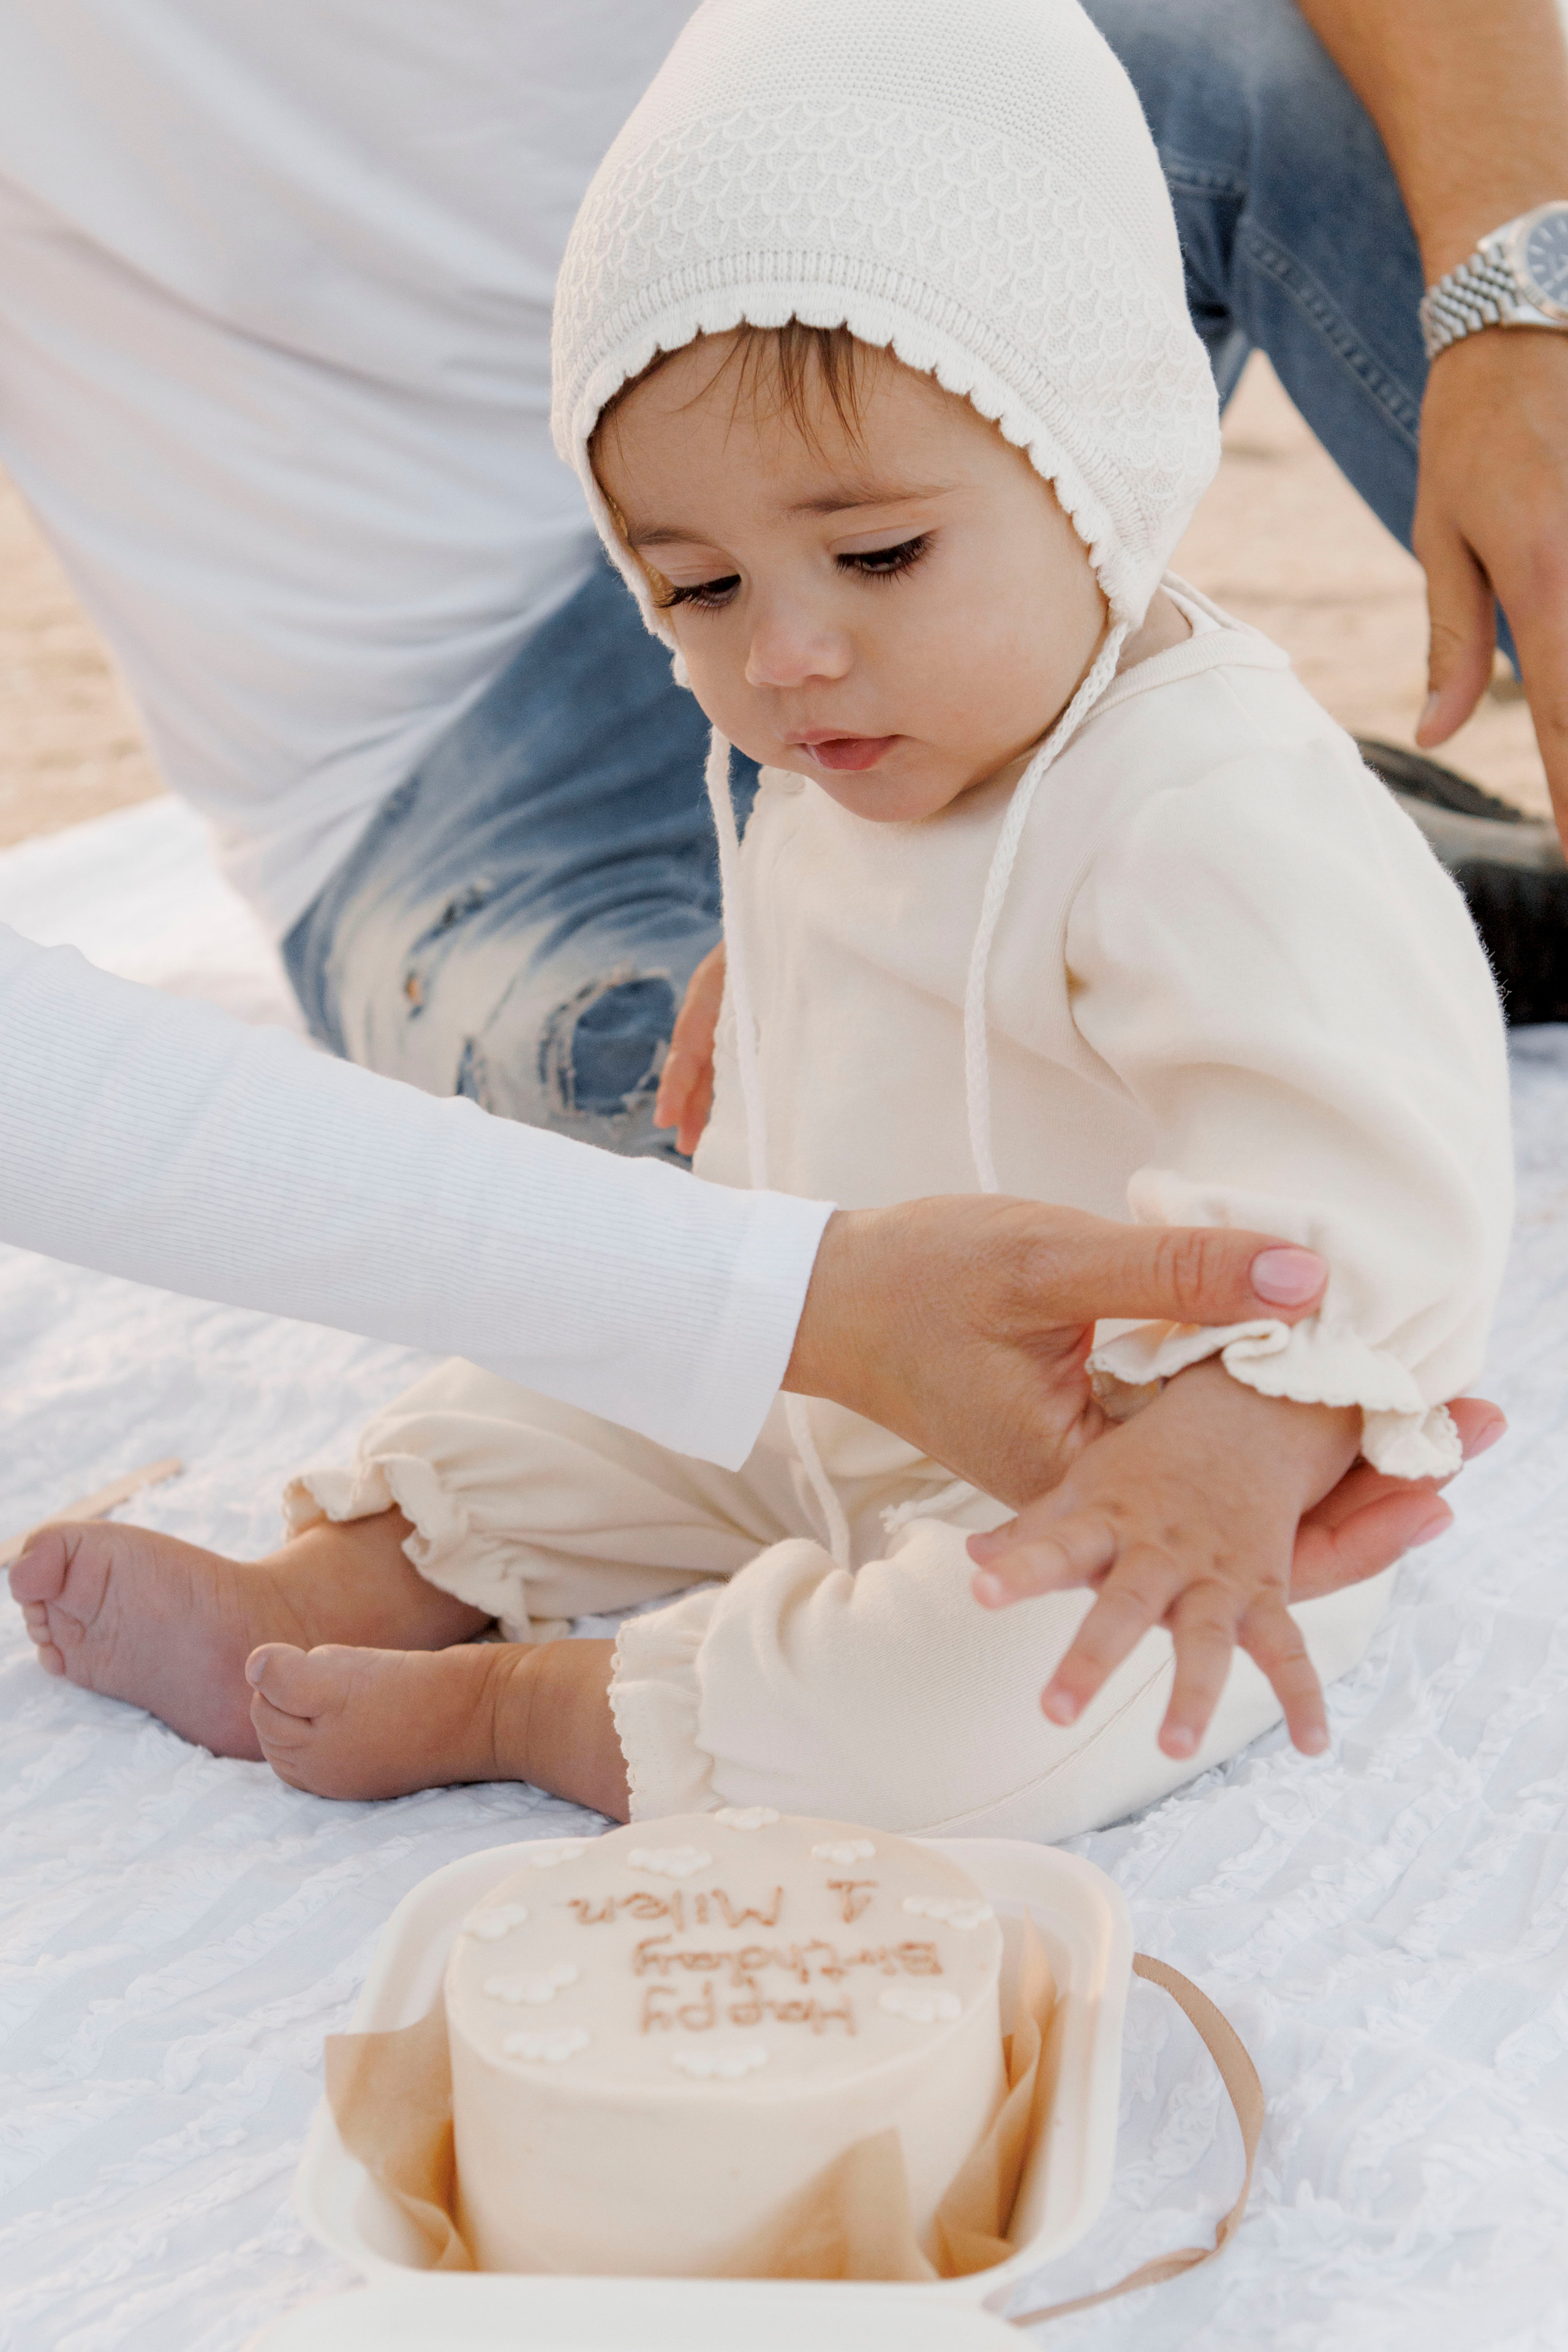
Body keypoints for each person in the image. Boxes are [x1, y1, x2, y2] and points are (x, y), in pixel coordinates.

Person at [17, 0, 1512, 1837]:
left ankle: (554, 1704)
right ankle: (342, 1581)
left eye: (878, 555)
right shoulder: (864, 729)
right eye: (699, 586)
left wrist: (1232, 1442)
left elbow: (1368, 1186)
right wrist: (772, 989)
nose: (788, 656)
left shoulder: (1200, 800)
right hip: (838, 1362)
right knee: (586, 1360)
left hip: (1119, 1450)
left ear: (1094, 454)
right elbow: (868, 933)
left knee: (1024, 1688)